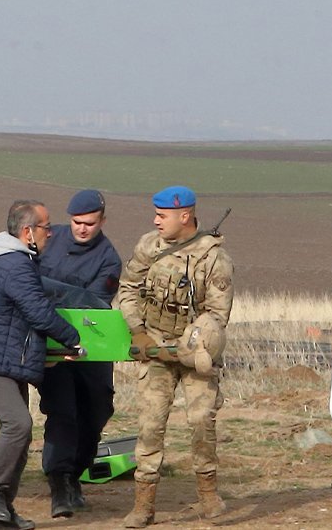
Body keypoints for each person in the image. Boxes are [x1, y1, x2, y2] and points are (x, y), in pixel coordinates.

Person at [0, 200, 83, 530]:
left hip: (4, 361)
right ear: (28, 232)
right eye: (46, 227)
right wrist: (73, 340)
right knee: (19, 425)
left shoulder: (9, 259)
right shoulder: (14, 264)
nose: (51, 234)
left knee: (19, 434)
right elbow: (38, 311)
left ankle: (1, 516)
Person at [116, 186, 235, 527]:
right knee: (150, 426)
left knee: (201, 422)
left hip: (195, 355)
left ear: (184, 216)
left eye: (162, 215)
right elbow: (127, 289)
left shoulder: (214, 257)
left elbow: (217, 313)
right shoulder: (147, 246)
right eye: (155, 214)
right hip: (154, 349)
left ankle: (209, 493)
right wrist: (136, 329)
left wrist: (196, 343)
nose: (156, 221)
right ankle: (144, 505)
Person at [36, 189, 121, 517]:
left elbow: (94, 304)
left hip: (93, 343)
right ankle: (60, 481)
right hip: (50, 341)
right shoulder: (49, 238)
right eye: (77, 222)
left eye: (90, 223)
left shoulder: (109, 258)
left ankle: (76, 470)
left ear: (102, 221)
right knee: (62, 410)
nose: (82, 228)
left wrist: (51, 290)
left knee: (98, 406)